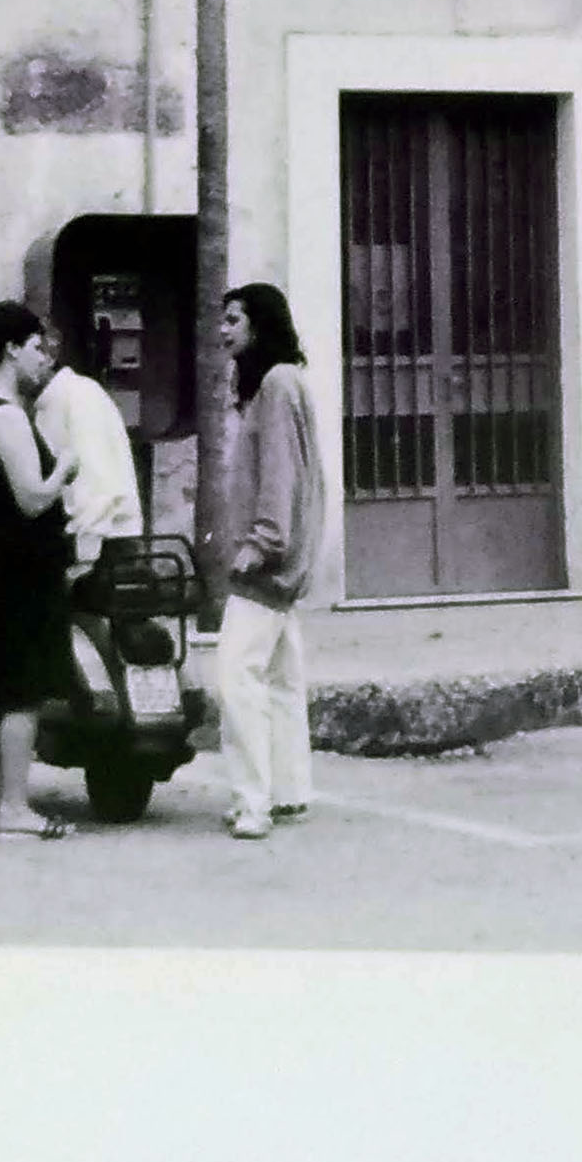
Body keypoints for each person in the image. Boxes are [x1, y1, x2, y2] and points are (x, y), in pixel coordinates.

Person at [0, 298, 81, 842]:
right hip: (18, 570)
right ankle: (16, 807)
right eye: (35, 347)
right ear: (10, 350)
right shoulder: (5, 415)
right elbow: (31, 497)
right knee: (22, 690)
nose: (43, 358)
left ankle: (4, 797)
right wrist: (65, 467)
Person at [214, 280, 330, 840]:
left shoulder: (279, 385)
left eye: (234, 320)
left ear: (260, 325)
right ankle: (289, 790)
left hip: (266, 562)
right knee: (281, 677)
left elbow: (281, 472)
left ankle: (252, 803)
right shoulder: (280, 383)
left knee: (235, 677)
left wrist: (262, 542)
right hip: (285, 561)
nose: (223, 330)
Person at [34, 328, 144, 578]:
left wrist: (83, 561)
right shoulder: (48, 402)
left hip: (103, 545)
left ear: (48, 357)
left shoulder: (79, 395)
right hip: (84, 539)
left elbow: (96, 484)